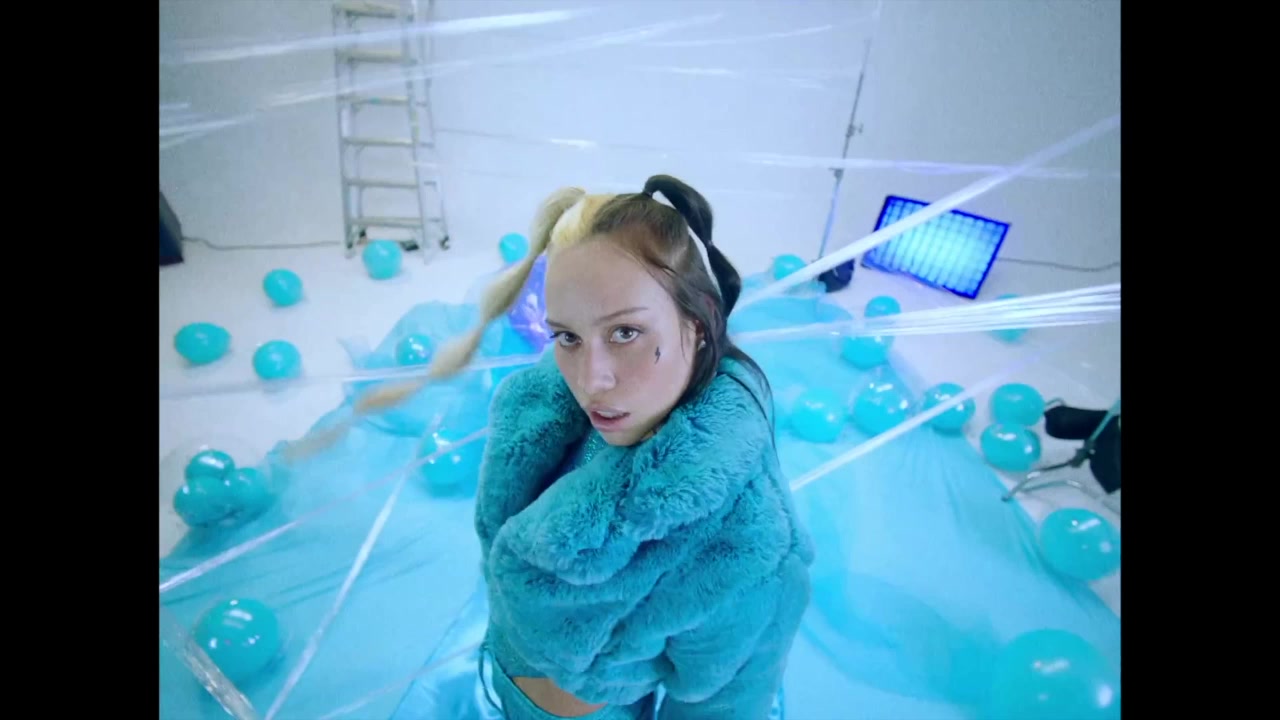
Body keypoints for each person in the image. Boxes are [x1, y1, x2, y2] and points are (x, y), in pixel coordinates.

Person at [430, 174, 813, 720]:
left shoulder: (750, 543)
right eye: (568, 336)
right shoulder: (544, 409)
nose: (591, 381)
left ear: (698, 323)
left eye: (625, 333)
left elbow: (724, 707)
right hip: (506, 669)